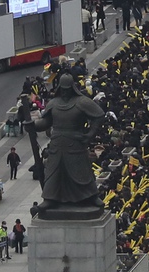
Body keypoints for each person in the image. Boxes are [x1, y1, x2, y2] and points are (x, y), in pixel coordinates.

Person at [27, 74, 106, 211]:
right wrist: (33, 125)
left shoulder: (82, 101)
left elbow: (99, 115)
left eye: (67, 89)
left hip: (75, 141)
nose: (64, 92)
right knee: (53, 172)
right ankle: (50, 199)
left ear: (72, 88)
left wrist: (90, 134)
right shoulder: (54, 103)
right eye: (62, 89)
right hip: (57, 143)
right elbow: (46, 122)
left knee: (82, 172)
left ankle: (91, 196)